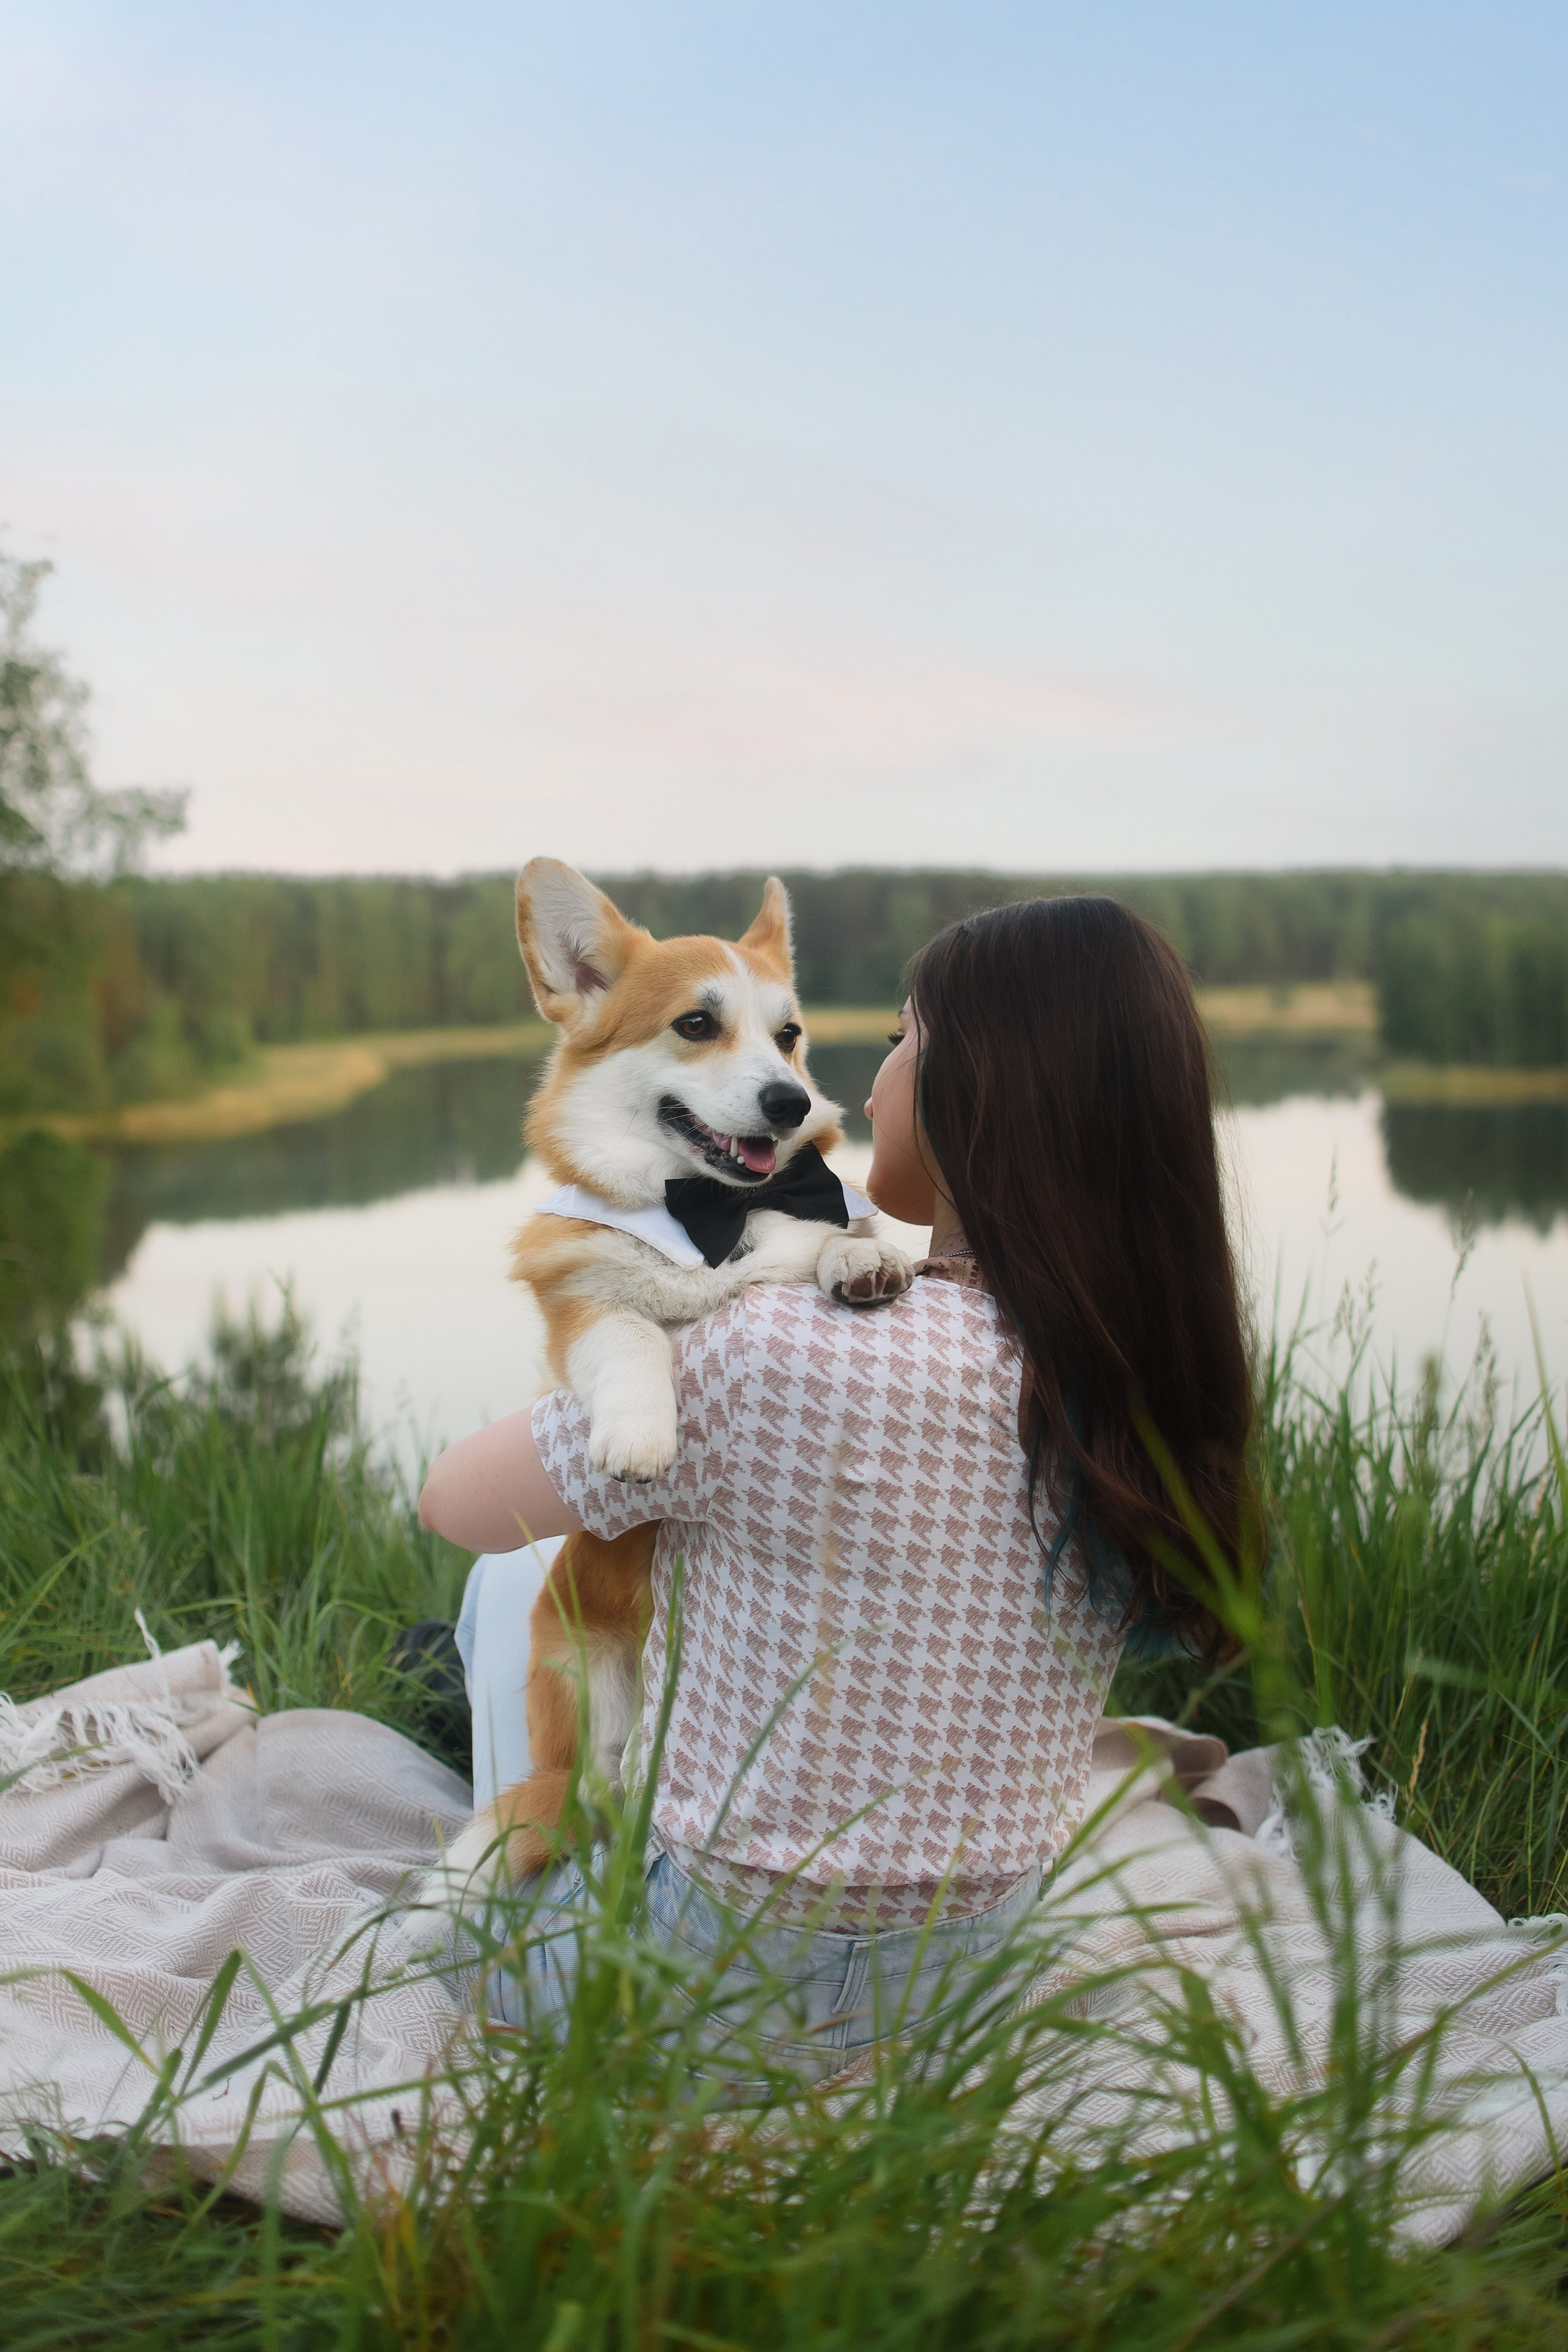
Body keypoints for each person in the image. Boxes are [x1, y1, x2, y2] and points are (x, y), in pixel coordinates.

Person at [417, 895, 1258, 2074]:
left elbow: (451, 1500)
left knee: (514, 1571)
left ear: (983, 1088)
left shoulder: (776, 1352)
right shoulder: (1134, 1376)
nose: (856, 1093)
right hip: (977, 1969)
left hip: (712, 1979)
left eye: (906, 1042)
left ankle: (555, 1825)